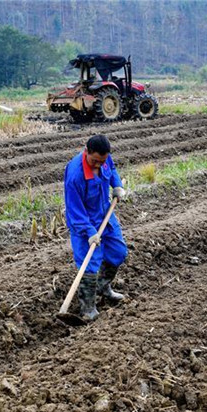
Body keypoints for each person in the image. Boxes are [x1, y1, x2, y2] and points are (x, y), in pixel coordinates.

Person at [64, 134, 129, 321]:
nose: (99, 165)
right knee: (90, 264)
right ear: (86, 151)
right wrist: (90, 231)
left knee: (118, 252)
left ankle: (103, 287)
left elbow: (112, 169)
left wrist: (116, 185)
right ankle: (87, 308)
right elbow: (74, 209)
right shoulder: (75, 175)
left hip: (105, 215)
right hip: (83, 222)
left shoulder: (104, 158)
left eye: (102, 161)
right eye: (95, 161)